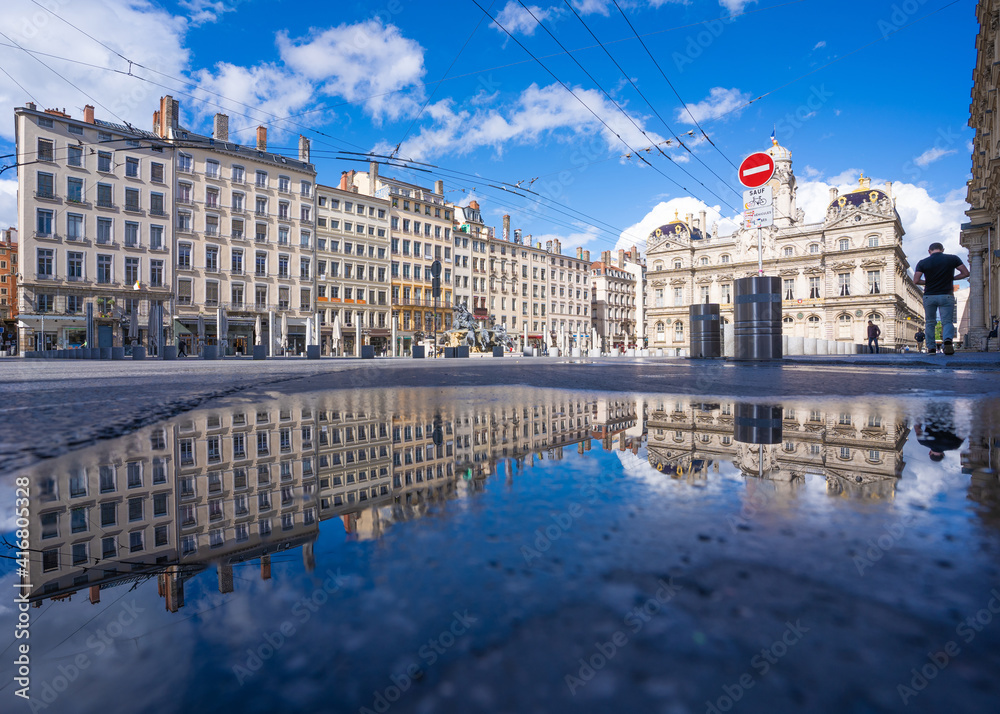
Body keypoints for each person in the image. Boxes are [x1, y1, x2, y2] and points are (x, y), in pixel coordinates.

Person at [913, 242, 970, 355]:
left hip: (929, 295)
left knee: (930, 322)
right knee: (947, 321)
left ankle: (931, 348)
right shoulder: (953, 258)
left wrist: (929, 282)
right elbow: (965, 273)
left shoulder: (923, 262)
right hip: (946, 294)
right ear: (942, 250)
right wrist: (951, 278)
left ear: (929, 251)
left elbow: (916, 280)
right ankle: (948, 340)